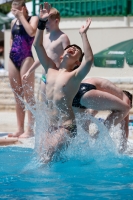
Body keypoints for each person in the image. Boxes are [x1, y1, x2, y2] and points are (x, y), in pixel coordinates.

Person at [24, 3, 130, 162]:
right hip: (51, 125)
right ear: (61, 56)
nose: (72, 48)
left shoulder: (74, 76)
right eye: (70, 48)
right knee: (45, 157)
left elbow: (89, 60)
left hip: (66, 127)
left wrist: (83, 34)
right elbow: (37, 46)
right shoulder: (50, 70)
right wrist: (41, 22)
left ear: (77, 63)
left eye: (76, 51)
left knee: (46, 159)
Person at [23, 6, 70, 101]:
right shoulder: (45, 37)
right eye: (44, 22)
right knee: (44, 103)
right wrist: (29, 71)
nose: (45, 25)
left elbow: (68, 58)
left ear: (56, 21)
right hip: (45, 76)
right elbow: (41, 58)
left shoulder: (63, 37)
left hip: (56, 76)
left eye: (47, 21)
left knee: (55, 104)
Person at [8, 0, 39, 138]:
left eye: (16, 11)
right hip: (13, 58)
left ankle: (30, 130)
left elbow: (32, 32)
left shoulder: (33, 19)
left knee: (28, 95)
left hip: (27, 57)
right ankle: (20, 129)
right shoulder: (13, 22)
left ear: (23, 9)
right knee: (17, 96)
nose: (13, 13)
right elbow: (11, 38)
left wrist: (21, 16)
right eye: (12, 11)